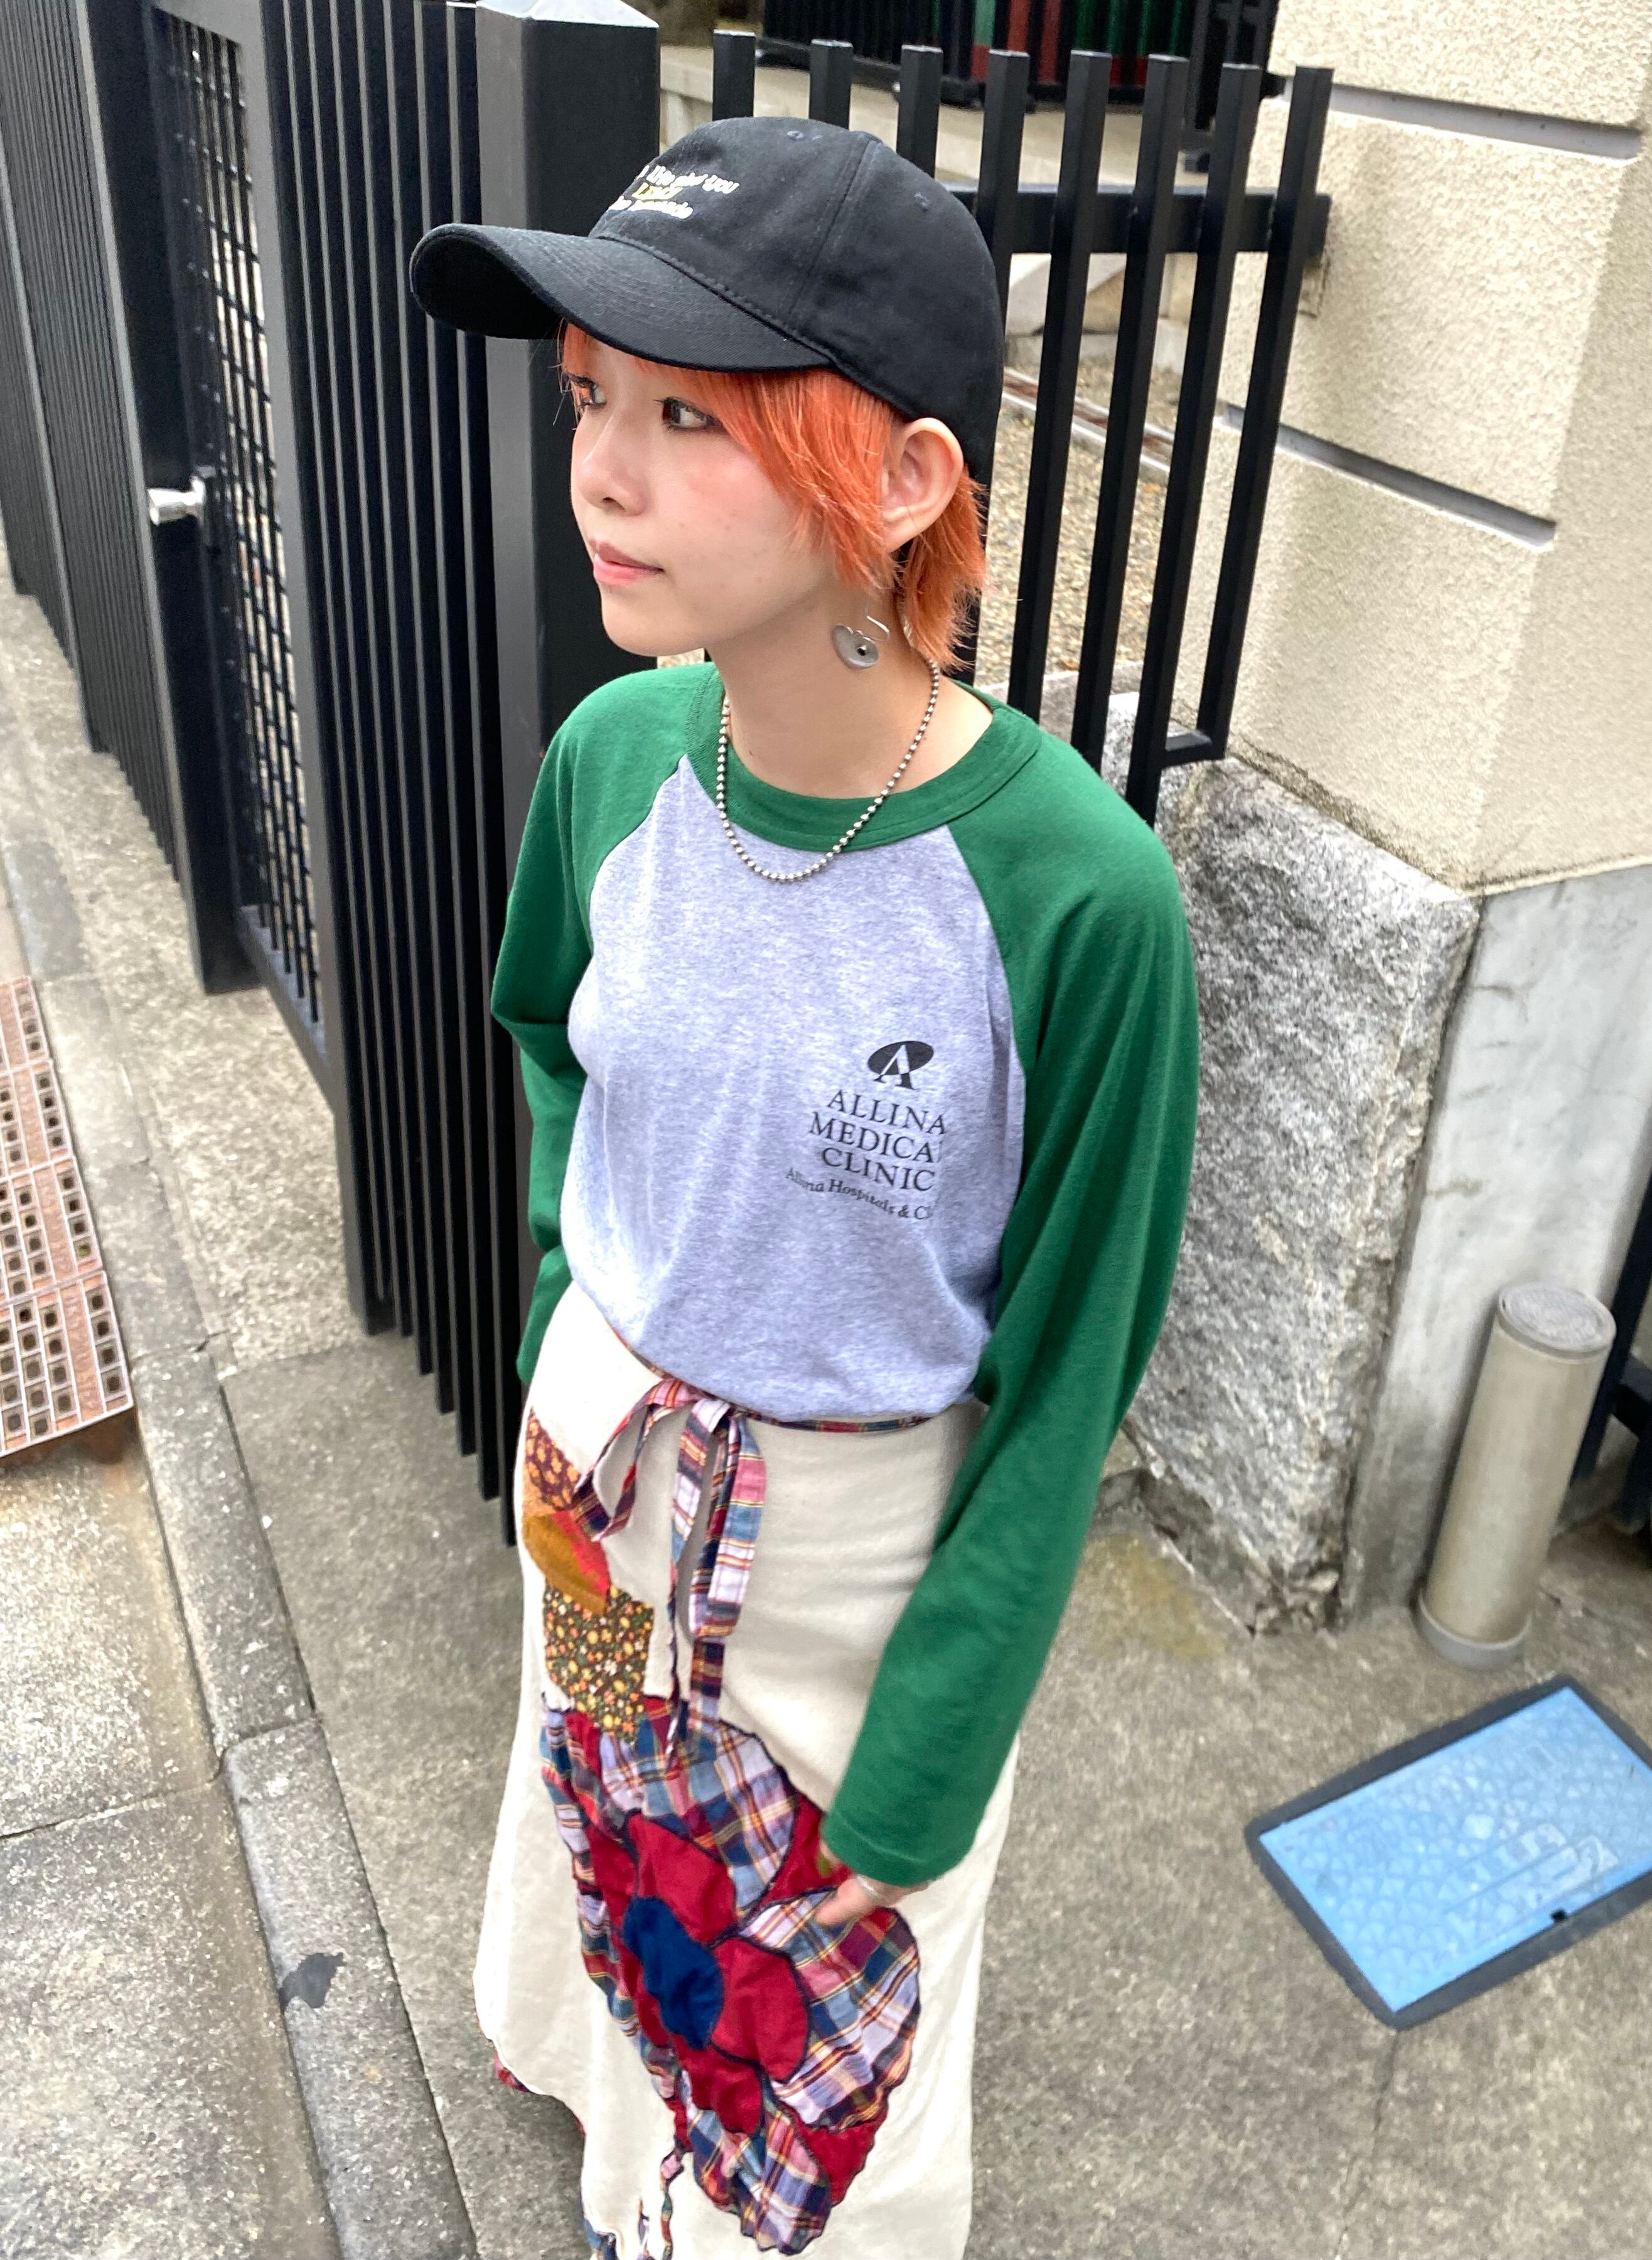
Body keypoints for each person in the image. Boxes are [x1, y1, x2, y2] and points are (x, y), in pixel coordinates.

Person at [409, 112, 1199, 2260]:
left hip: (853, 1559)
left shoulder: (1079, 898)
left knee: (832, 1995)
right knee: (614, 1842)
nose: (603, 470)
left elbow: (1069, 1373)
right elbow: (548, 1032)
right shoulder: (613, 762)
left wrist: (932, 1750)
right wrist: (573, 1307)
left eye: (691, 416)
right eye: (593, 399)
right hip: (600, 1477)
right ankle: (620, 2158)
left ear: (908, 479)